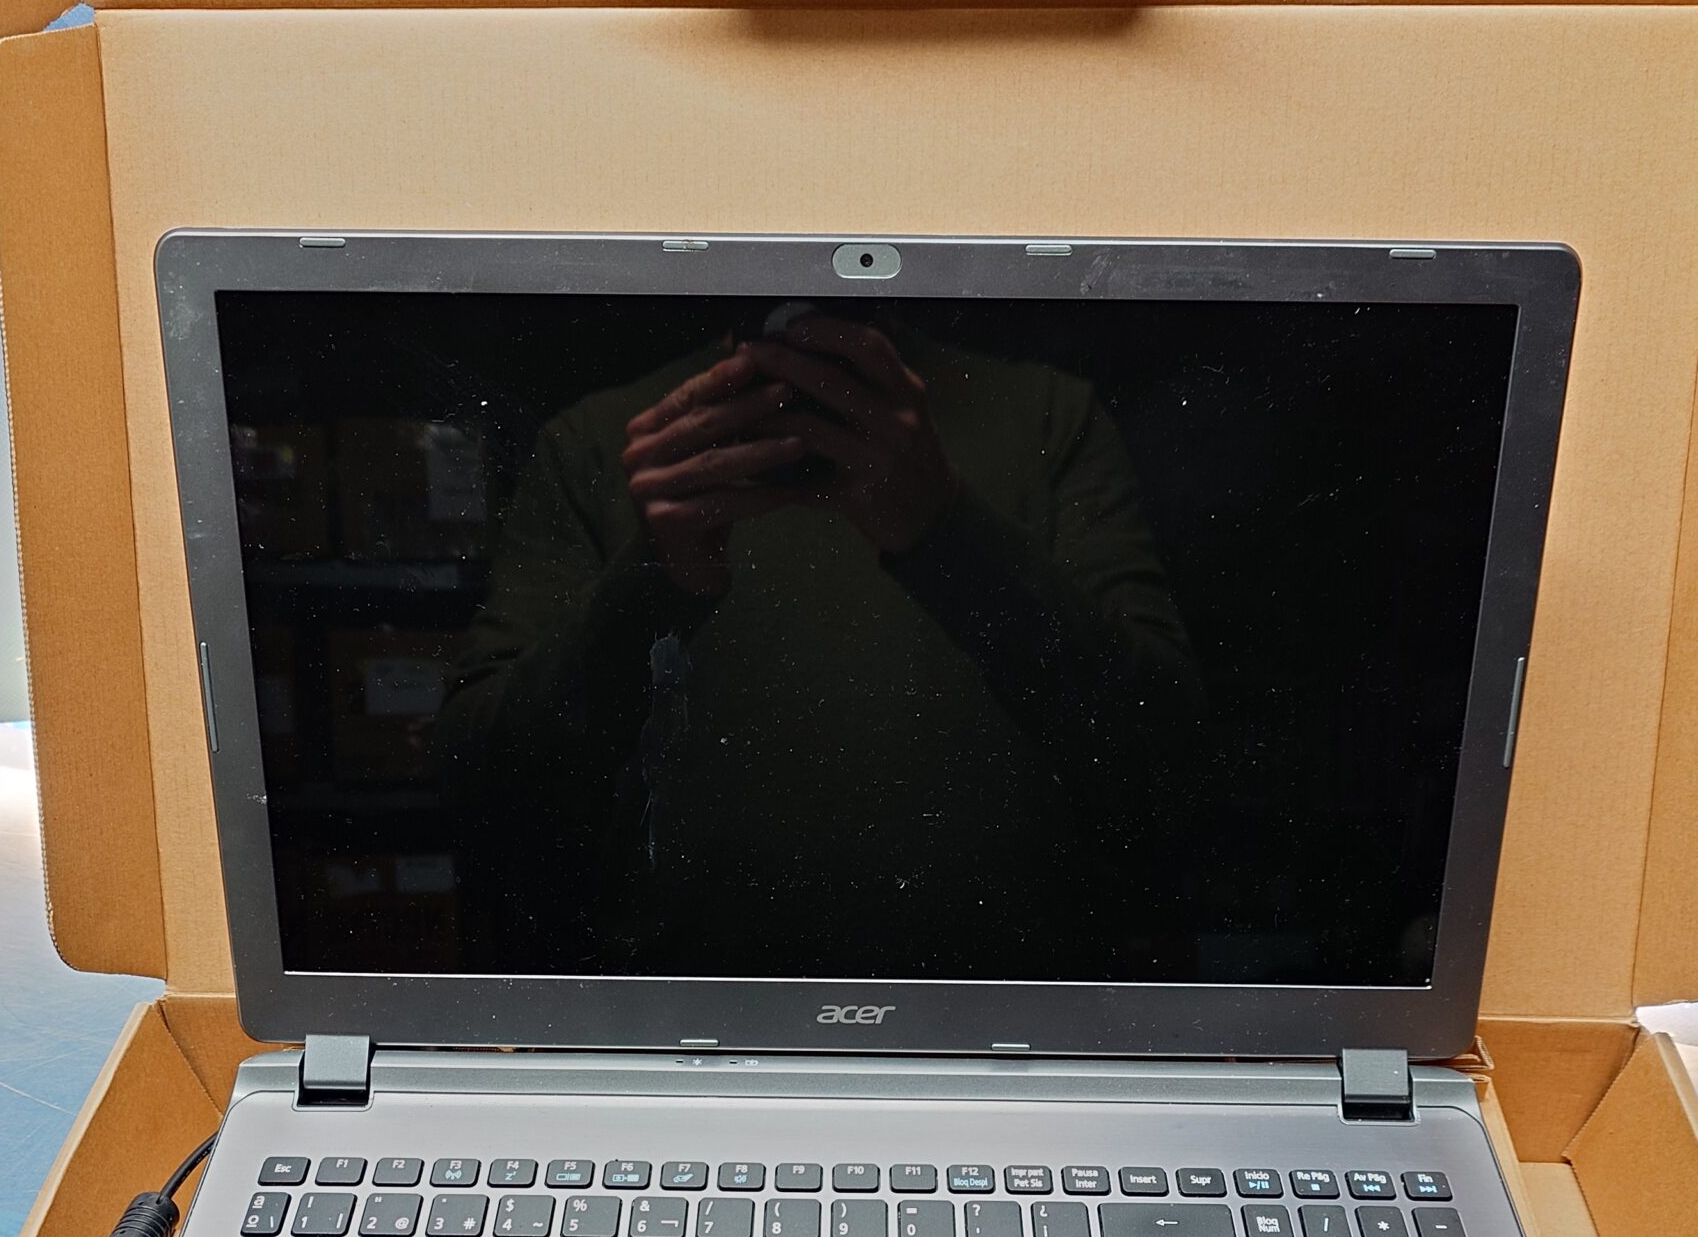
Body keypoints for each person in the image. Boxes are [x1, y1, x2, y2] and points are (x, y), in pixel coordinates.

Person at [438, 309, 1203, 980]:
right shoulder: (608, 442)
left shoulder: (1046, 418)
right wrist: (650, 579)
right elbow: (485, 795)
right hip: (683, 1037)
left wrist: (945, 527)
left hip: (1003, 1031)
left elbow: (1166, 766)